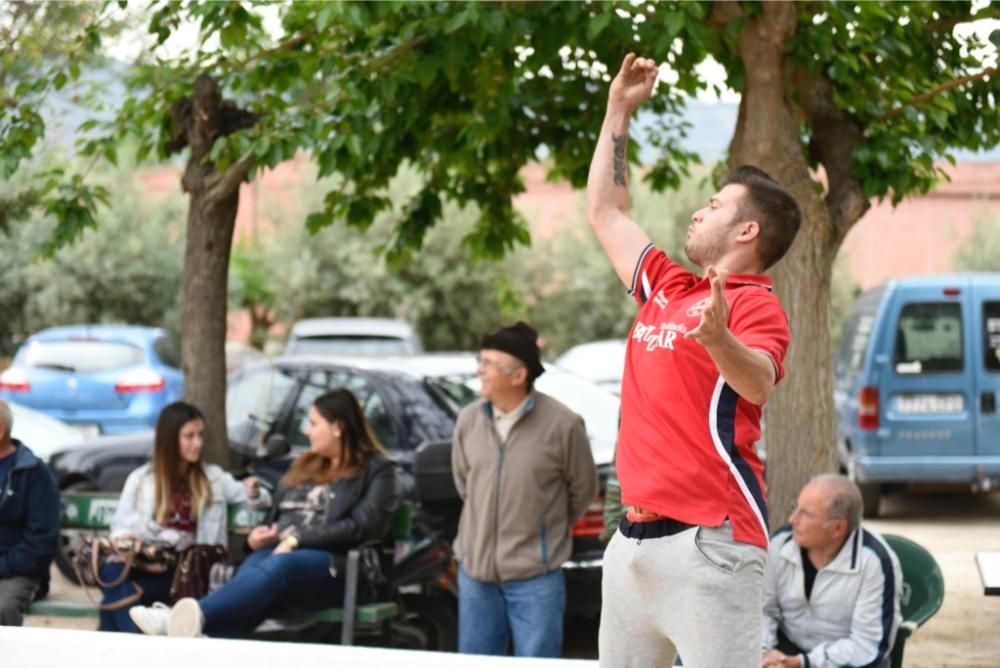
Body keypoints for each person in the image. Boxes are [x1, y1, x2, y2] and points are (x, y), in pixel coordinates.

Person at [588, 53, 803, 667]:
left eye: (714, 204)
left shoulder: (755, 306)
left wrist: (720, 341)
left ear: (746, 233)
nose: (698, 210)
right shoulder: (667, 286)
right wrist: (618, 111)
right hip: (630, 543)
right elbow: (607, 212)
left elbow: (758, 383)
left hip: (710, 542)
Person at [130, 388, 402, 638]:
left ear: (338, 427)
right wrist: (255, 539)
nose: (307, 431)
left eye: (314, 423)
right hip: (283, 560)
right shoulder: (305, 465)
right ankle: (198, 635)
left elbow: (361, 527)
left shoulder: (378, 470)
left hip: (340, 569)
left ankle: (190, 615)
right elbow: (276, 518)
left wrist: (297, 540)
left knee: (277, 566)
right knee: (257, 569)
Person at [452, 322, 598, 657]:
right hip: (475, 576)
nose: (480, 370)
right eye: (481, 360)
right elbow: (465, 484)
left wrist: (543, 534)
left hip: (536, 579)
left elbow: (583, 492)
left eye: (489, 364)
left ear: (518, 376)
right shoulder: (468, 420)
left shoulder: (564, 425)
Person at [100, 401, 268, 633]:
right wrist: (127, 539)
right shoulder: (142, 479)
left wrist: (254, 491)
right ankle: (142, 639)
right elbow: (119, 526)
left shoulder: (213, 479)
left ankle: (136, 645)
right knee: (111, 573)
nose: (197, 443)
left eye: (200, 435)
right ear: (170, 439)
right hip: (153, 564)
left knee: (111, 604)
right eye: (189, 436)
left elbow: (257, 498)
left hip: (192, 574)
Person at [762, 475, 902, 668]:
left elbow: (867, 649)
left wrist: (803, 663)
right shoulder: (780, 545)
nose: (792, 519)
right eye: (796, 508)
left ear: (837, 528)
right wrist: (765, 654)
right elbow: (763, 609)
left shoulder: (875, 562)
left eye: (806, 514)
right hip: (784, 657)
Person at [0, 400, 60, 626]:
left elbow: (41, 541)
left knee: (2, 607)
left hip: (17, 573)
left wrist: (4, 566)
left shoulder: (33, 473)